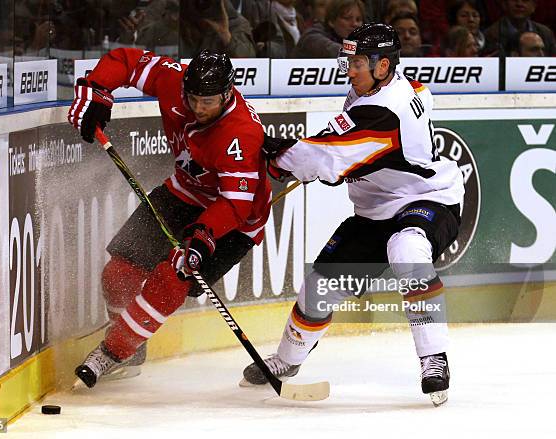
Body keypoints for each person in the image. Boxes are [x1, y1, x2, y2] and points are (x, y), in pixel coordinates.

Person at [241, 23, 464, 407]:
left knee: (407, 248)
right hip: (376, 209)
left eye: (358, 62)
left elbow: (332, 156)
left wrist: (282, 157)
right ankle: (287, 360)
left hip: (429, 199)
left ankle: (434, 358)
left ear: (383, 65)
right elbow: (340, 146)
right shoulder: (386, 89)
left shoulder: (385, 109)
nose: (350, 69)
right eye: (350, 61)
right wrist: (321, 158)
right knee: (320, 287)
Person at [67, 48, 271, 388]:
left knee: (171, 277)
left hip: (235, 220)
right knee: (118, 273)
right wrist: (97, 92)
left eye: (209, 102)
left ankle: (113, 351)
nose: (199, 109)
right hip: (183, 192)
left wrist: (202, 236)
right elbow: (126, 61)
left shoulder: (242, 133)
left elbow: (236, 205)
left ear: (228, 93)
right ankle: (130, 347)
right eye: (193, 99)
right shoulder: (174, 81)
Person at [292, 0, 364, 58]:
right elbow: (331, 48)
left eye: (358, 20)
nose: (354, 24)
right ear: (332, 21)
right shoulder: (312, 36)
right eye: (347, 18)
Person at [484, 0, 555, 56]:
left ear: (534, 6)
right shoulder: (490, 34)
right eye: (514, 0)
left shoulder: (546, 33)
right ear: (504, 4)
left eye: (525, 0)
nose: (519, 4)